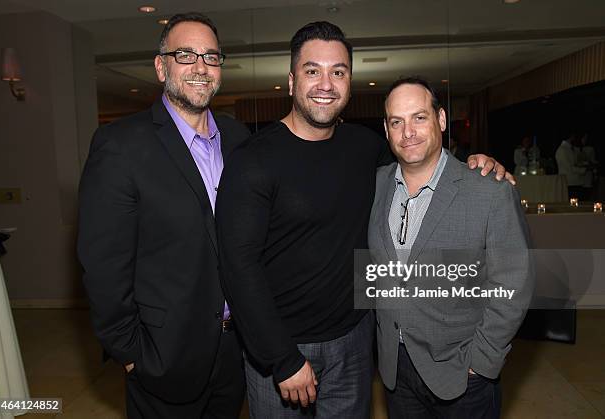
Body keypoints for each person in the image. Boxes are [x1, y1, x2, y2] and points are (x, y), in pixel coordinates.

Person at [216, 21, 511, 419]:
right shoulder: (252, 159)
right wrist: (281, 358)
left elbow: (423, 163)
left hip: (355, 342)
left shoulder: (366, 147)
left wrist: (474, 163)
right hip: (283, 350)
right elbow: (238, 267)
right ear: (291, 81)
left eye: (338, 72)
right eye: (312, 70)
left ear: (350, 83)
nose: (326, 83)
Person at [77, 12, 250, 419]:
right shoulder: (120, 146)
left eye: (210, 57)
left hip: (235, 353)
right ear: (161, 66)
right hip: (162, 358)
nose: (200, 68)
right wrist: (131, 353)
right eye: (185, 55)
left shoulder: (239, 140)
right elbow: (103, 265)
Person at [369, 77, 533, 418]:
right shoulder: (375, 185)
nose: (408, 132)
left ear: (441, 120)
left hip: (462, 375)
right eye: (396, 122)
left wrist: (482, 362)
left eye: (419, 117)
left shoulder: (489, 190)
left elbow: (513, 285)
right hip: (395, 370)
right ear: (386, 130)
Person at [555, 134, 586, 199]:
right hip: (569, 183)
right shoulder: (562, 150)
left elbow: (574, 164)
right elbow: (569, 168)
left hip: (576, 182)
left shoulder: (570, 148)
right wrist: (585, 169)